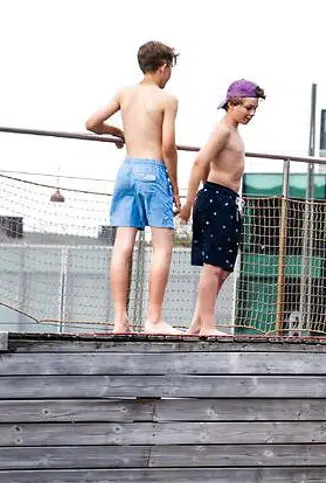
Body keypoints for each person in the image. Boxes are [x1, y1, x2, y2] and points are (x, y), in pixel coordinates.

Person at [85, 41, 182, 335]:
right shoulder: (167, 99)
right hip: (153, 170)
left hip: (127, 170)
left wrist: (118, 132)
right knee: (161, 245)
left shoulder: (125, 93)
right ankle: (153, 319)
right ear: (163, 67)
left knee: (123, 244)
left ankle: (120, 319)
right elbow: (168, 146)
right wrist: (175, 185)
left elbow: (92, 123)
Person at [178, 80, 265, 336]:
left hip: (228, 199)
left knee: (224, 268)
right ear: (231, 104)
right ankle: (207, 326)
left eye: (254, 109)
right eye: (247, 107)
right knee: (213, 266)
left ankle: (197, 324)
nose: (251, 113)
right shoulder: (223, 130)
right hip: (217, 197)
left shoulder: (234, 132)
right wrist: (189, 203)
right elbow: (200, 162)